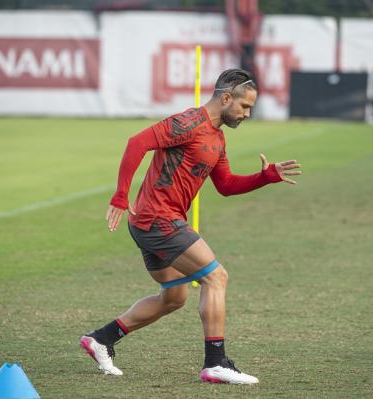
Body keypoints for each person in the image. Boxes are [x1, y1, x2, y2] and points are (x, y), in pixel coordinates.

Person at [79, 68, 301, 383]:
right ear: (226, 98)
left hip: (153, 222)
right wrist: (119, 196)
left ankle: (101, 339)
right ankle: (216, 362)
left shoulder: (217, 137)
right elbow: (137, 143)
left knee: (174, 297)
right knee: (216, 277)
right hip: (158, 218)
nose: (248, 114)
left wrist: (265, 177)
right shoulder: (188, 122)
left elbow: (225, 185)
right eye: (244, 106)